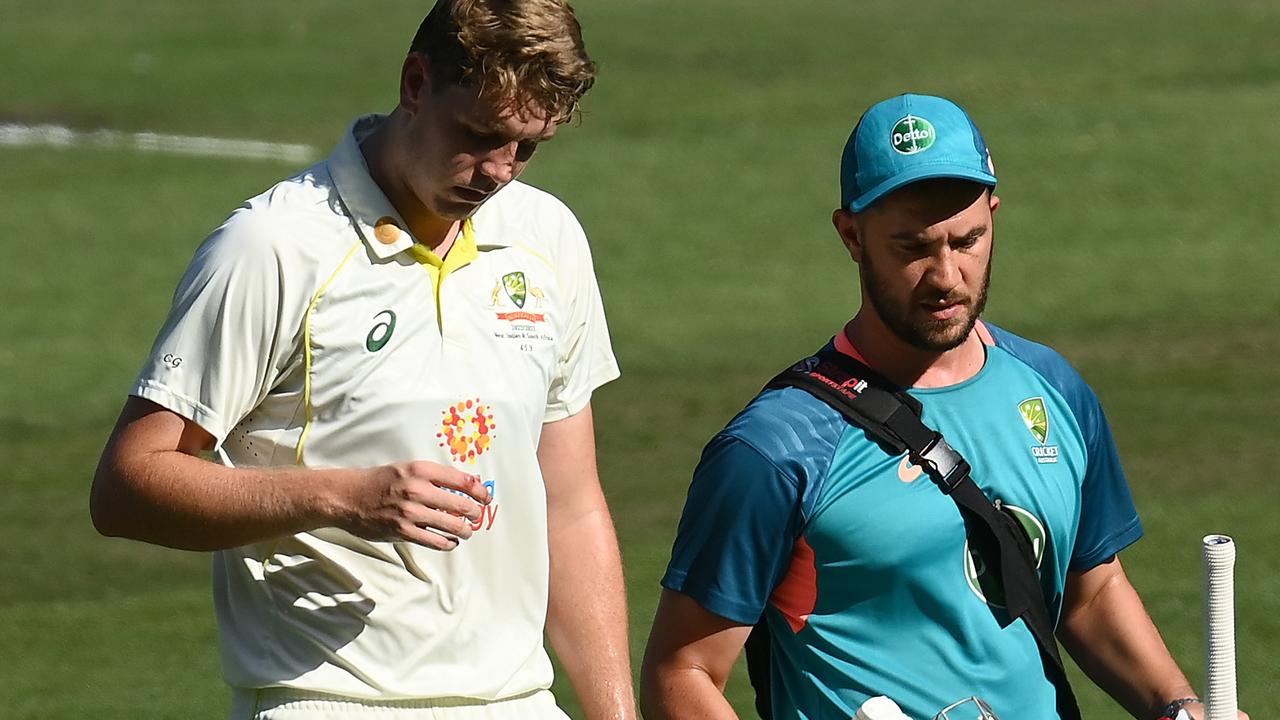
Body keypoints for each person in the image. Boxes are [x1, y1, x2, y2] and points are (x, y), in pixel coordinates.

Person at [89, 2, 635, 719]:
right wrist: (342, 498)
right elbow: (127, 486)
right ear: (416, 84)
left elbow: (570, 504)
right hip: (328, 698)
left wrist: (615, 712)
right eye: (478, 135)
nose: (498, 171)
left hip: (516, 700)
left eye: (527, 147)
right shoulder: (273, 248)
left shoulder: (547, 236)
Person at [640, 94, 1248, 720]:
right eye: (912, 248)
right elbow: (680, 674)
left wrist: (1177, 706)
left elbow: (1088, 593)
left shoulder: (1053, 390)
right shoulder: (776, 449)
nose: (946, 275)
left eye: (968, 240)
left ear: (994, 215)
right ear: (852, 236)